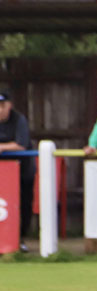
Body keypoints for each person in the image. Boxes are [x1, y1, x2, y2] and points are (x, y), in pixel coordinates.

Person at [0, 90, 35, 250]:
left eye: (2, 105)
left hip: (22, 171)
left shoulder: (19, 119)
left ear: (9, 106)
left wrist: (2, 147)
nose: (0, 109)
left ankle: (20, 239)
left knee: (24, 204)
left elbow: (21, 144)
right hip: (2, 173)